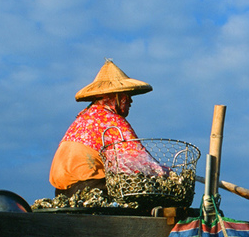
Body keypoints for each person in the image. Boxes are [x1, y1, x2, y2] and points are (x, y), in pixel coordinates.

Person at [49, 59, 163, 196]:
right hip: (91, 187)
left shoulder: (84, 117)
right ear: (116, 97)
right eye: (126, 97)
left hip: (61, 191)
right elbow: (138, 160)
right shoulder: (111, 120)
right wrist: (163, 173)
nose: (131, 101)